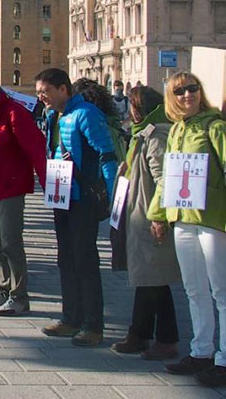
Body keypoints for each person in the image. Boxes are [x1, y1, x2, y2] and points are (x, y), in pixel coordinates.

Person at [148, 71, 226, 387]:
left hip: (212, 218)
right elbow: (168, 177)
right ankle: (201, 351)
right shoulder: (177, 129)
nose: (187, 95)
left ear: (200, 92)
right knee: (194, 290)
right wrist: (158, 215)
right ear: (172, 97)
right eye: (179, 91)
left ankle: (223, 359)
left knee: (221, 290)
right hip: (182, 218)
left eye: (192, 89)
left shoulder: (215, 126)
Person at [35, 68, 117, 347]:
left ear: (63, 89)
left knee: (85, 261)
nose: (41, 97)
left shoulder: (86, 114)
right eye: (39, 92)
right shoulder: (53, 116)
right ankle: (71, 318)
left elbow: (107, 155)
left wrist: (112, 195)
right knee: (65, 259)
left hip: (82, 199)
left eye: (45, 91)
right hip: (61, 196)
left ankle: (93, 324)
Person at [110, 86, 180, 360]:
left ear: (139, 109)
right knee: (148, 279)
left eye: (132, 106)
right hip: (139, 214)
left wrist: (159, 217)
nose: (129, 111)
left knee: (153, 280)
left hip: (149, 218)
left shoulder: (156, 136)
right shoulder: (143, 134)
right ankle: (141, 333)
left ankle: (164, 338)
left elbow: (164, 179)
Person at [0, 67, 46, 315]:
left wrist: (47, 182)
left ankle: (19, 296)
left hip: (10, 187)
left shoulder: (14, 112)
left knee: (10, 242)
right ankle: (2, 288)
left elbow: (35, 146)